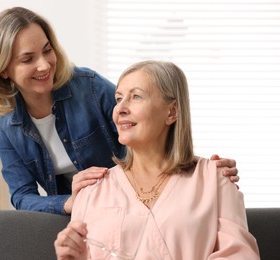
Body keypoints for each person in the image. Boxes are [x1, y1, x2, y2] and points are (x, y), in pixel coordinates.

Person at [0, 7, 239, 216]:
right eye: (27, 59)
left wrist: (199, 169)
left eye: (47, 50)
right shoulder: (5, 123)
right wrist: (69, 203)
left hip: (133, 204)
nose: (44, 64)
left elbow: (148, 130)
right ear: (3, 69)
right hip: (81, 219)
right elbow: (22, 196)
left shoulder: (88, 86)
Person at [54, 60, 260, 259]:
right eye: (118, 99)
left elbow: (240, 255)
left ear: (172, 112)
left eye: (136, 97)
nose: (120, 109)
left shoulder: (215, 179)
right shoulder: (92, 189)